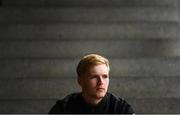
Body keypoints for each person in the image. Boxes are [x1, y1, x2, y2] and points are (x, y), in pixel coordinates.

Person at [49, 54, 134, 114]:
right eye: (94, 77)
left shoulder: (122, 109)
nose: (101, 82)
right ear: (80, 80)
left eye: (105, 76)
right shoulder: (63, 109)